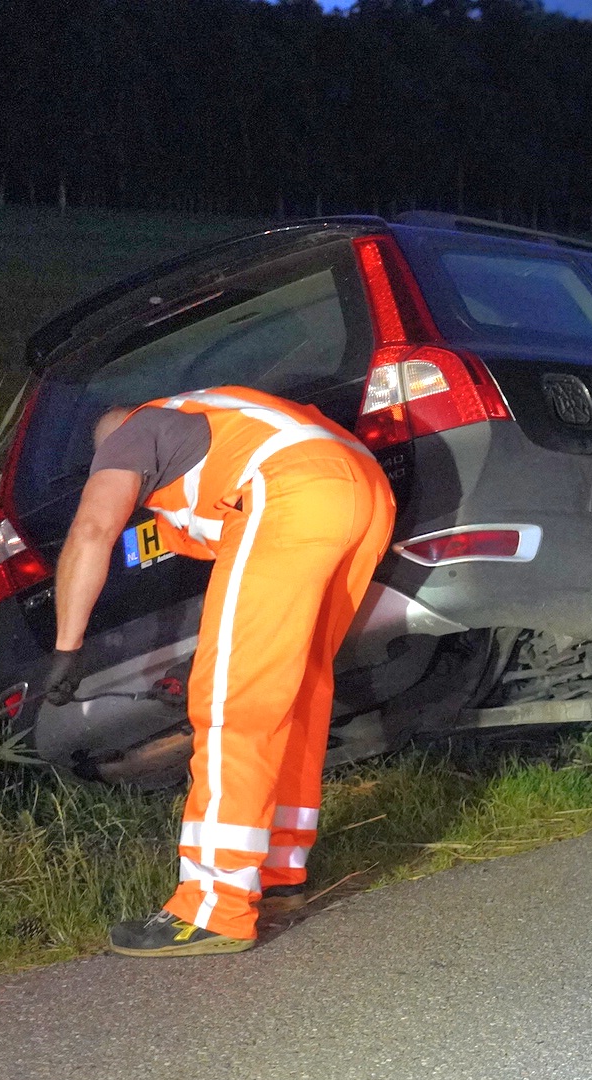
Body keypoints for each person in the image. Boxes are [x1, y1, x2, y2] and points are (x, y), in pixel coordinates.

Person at [44, 385, 394, 957]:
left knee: (234, 703)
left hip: (290, 489)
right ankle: (276, 872)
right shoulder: (211, 429)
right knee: (295, 692)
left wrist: (68, 643)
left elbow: (91, 532)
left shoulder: (134, 429)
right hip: (361, 490)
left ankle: (212, 907)